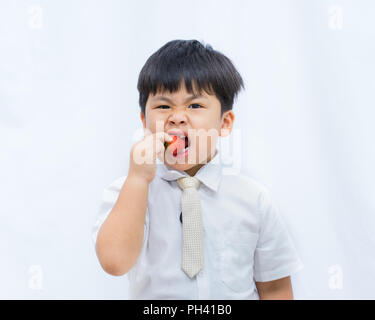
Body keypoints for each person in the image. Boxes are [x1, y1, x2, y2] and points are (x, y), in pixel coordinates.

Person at [92, 39, 304, 299]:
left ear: (224, 123)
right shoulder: (127, 192)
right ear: (145, 122)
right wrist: (137, 180)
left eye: (194, 106)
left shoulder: (253, 198)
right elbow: (114, 262)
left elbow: (275, 287)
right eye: (163, 106)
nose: (177, 117)